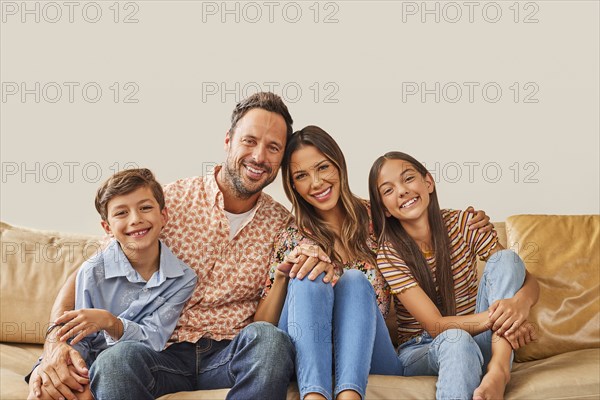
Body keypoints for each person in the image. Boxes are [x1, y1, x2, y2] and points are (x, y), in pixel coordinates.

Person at [28, 92, 328, 400]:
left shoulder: (281, 225)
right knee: (115, 361)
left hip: (228, 355)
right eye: (249, 141)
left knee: (271, 340)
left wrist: (318, 255)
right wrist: (54, 344)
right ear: (228, 141)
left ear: (281, 158)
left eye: (273, 147)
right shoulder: (161, 204)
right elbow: (87, 274)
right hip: (157, 353)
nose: (259, 156)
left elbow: (327, 235)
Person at [254, 126, 493, 400]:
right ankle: (315, 396)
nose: (316, 182)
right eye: (302, 176)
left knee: (354, 280)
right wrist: (284, 278)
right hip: (307, 354)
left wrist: (472, 222)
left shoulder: (377, 218)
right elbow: (262, 328)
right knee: (309, 273)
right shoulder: (290, 237)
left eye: (323, 168)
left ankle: (349, 395)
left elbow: (424, 220)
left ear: (339, 165)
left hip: (369, 354)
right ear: (292, 185)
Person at [368, 151, 539, 400]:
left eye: (408, 179)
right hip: (424, 348)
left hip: (483, 340)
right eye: (388, 190)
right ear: (385, 210)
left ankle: (499, 369)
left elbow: (527, 280)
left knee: (506, 259)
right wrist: (506, 319)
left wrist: (519, 305)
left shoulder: (464, 224)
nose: (402, 191)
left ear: (428, 182)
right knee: (456, 339)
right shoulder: (390, 253)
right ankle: (497, 358)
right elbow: (437, 327)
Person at [27, 168, 197, 400]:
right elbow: (78, 338)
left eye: (145, 208)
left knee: (102, 380)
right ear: (107, 228)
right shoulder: (92, 270)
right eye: (121, 213)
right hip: (83, 357)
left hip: (132, 363)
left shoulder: (183, 278)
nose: (136, 219)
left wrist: (110, 323)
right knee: (46, 393)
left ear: (163, 216)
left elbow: (154, 340)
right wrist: (74, 372)